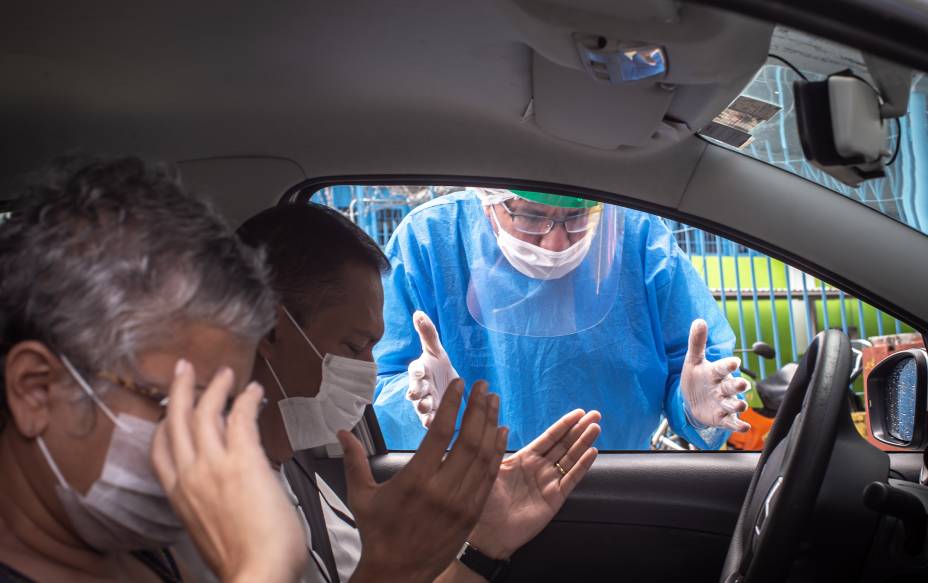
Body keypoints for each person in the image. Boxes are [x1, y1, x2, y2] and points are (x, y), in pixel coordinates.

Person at [236, 204, 601, 583]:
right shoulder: (208, 515)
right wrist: (387, 569)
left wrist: (484, 546)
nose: (371, 371)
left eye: (373, 348)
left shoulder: (294, 477)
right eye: (354, 345)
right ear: (270, 329)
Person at [0, 156, 295, 582]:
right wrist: (264, 565)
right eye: (177, 405)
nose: (210, 443)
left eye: (224, 410)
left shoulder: (152, 549)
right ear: (37, 390)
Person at [373, 188, 750, 451]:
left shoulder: (638, 235)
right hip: (468, 491)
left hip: (610, 481)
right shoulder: (429, 239)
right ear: (487, 199)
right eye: (531, 216)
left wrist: (696, 408)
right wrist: (416, 401)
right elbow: (375, 382)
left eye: (577, 217)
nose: (556, 245)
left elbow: (690, 367)